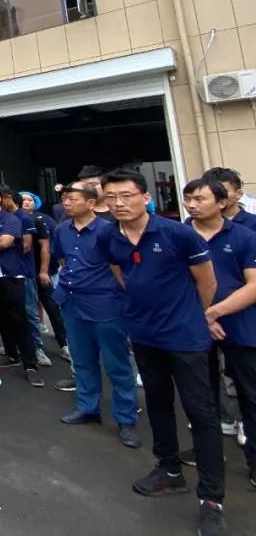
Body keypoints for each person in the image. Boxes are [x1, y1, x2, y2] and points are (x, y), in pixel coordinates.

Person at [103, 169, 226, 536]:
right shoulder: (110, 236)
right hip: (143, 334)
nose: (119, 203)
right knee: (157, 402)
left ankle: (212, 499)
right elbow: (120, 272)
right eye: (112, 197)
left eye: (126, 195)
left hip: (185, 337)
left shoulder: (177, 234)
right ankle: (169, 469)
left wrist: (194, 316)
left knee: (201, 412)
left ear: (145, 198)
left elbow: (207, 281)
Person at [52, 182, 140, 448]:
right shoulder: (62, 230)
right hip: (71, 301)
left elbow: (121, 267)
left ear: (91, 203)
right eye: (65, 199)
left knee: (117, 364)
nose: (67, 203)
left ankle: (126, 419)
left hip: (105, 303)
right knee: (82, 359)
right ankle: (87, 407)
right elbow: (62, 260)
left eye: (73, 199)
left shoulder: (109, 230)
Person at [181, 178, 256, 488]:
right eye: (188, 198)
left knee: (250, 394)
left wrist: (213, 313)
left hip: (241, 326)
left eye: (199, 199)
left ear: (222, 202)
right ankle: (208, 453)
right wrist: (203, 317)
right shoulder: (180, 236)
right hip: (194, 328)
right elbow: (176, 284)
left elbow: (253, 285)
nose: (192, 205)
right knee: (202, 396)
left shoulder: (244, 237)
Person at [0, 183, 44, 387]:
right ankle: (7, 356)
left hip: (10, 275)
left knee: (18, 319)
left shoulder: (11, 219)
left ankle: (30, 364)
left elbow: (3, 243)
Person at [21, 190, 68, 366]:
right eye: (23, 200)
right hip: (25, 272)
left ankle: (64, 343)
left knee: (52, 307)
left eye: (30, 200)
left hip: (44, 270)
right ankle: (36, 347)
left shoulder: (43, 220)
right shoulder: (14, 219)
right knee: (30, 310)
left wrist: (44, 270)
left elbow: (49, 246)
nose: (27, 202)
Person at [203, 167, 256, 231]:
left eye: (222, 191)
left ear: (239, 194)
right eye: (211, 192)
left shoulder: (253, 223)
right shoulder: (197, 224)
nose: (216, 196)